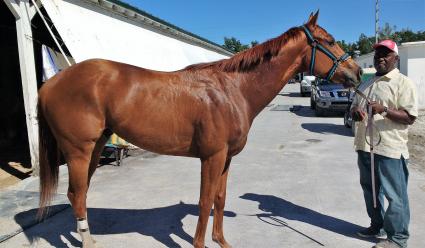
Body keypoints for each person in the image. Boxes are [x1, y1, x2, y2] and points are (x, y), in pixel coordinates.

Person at [350, 39, 418, 248]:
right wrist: (357, 114)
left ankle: (397, 239)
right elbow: (353, 111)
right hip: (364, 146)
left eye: (386, 54)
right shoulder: (366, 83)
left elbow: (410, 117)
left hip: (390, 149)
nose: (380, 57)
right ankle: (376, 226)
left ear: (395, 59)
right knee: (370, 191)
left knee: (394, 196)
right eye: (378, 54)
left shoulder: (403, 83)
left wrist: (385, 110)